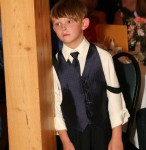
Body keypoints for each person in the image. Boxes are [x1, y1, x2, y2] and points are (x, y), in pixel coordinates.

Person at [50, 0, 130, 150]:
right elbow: (56, 105)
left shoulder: (103, 57)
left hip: (102, 133)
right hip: (73, 136)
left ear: (84, 24)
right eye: (57, 24)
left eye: (69, 21)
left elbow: (114, 98)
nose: (63, 28)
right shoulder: (54, 63)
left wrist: (117, 136)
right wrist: (65, 141)